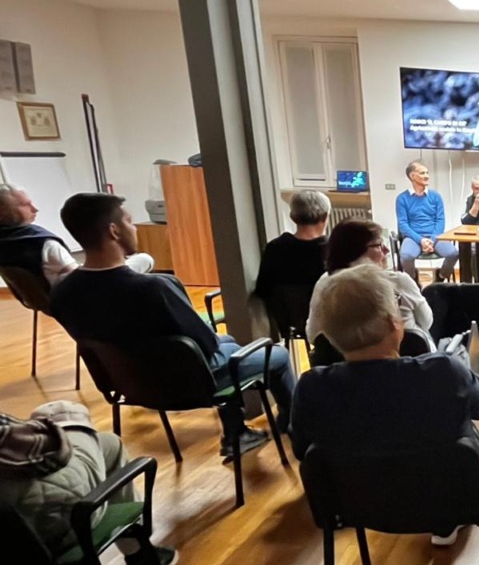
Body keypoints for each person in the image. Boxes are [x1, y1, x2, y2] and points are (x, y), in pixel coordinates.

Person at [48, 193, 294, 458]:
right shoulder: (155, 289)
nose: (135, 228)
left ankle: (238, 434)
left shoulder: (62, 293)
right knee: (276, 354)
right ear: (114, 230)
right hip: (192, 384)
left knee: (229, 342)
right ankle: (292, 425)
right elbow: (207, 345)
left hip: (129, 386)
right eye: (130, 222)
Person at [292, 264, 479, 546]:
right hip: (450, 499)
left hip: (355, 506)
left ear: (329, 334)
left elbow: (303, 450)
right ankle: (444, 523)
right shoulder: (442, 372)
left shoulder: (311, 388)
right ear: (393, 324)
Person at [0, 401, 179, 565]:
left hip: (6, 559)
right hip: (48, 538)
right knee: (65, 413)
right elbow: (40, 452)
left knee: (106, 445)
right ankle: (141, 559)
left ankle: (141, 557)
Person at [0, 183, 154, 287]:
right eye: (25, 205)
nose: (35, 208)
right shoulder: (43, 243)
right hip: (89, 293)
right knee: (145, 259)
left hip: (53, 302)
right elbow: (81, 280)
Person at [306, 219, 432, 343]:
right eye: (379, 245)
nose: (386, 250)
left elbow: (313, 335)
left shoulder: (324, 283)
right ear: (355, 250)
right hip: (409, 358)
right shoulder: (398, 281)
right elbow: (427, 322)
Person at [254, 189, 329, 303]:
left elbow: (262, 291)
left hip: (284, 319)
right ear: (324, 217)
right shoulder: (336, 250)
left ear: (292, 217)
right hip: (326, 319)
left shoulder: (274, 249)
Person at [395, 161, 457, 284]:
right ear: (412, 176)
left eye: (427, 173)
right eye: (422, 173)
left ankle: (440, 276)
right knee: (406, 256)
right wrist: (421, 240)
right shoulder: (402, 198)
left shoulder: (435, 196)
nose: (427, 176)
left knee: (453, 253)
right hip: (413, 237)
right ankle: (413, 281)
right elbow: (403, 224)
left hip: (435, 236)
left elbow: (440, 220)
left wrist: (432, 240)